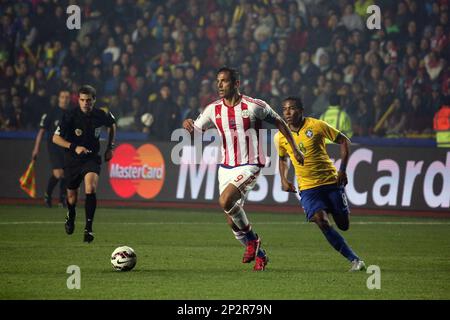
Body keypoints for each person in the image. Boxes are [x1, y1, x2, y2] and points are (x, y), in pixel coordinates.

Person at [183, 67, 304, 271]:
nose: (219, 85)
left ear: (236, 84)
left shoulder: (254, 106)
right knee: (232, 221)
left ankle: (253, 242)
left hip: (251, 163)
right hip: (226, 167)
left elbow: (280, 123)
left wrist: (294, 149)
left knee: (225, 200)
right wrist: (187, 124)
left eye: (224, 81)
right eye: (218, 81)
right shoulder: (213, 109)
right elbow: (195, 131)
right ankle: (260, 254)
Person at [274, 96, 365, 272]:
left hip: (330, 182)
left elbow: (344, 141)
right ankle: (354, 260)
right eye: (284, 109)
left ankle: (332, 207)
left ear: (301, 110)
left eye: (292, 108)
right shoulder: (280, 137)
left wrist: (343, 170)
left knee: (343, 225)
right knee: (321, 221)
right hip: (307, 188)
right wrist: (284, 179)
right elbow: (282, 158)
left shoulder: (317, 125)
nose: (288, 112)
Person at [53, 85, 116, 243]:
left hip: (91, 158)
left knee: (90, 187)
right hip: (73, 159)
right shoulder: (70, 115)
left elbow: (112, 124)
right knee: (72, 196)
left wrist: (110, 147)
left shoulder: (100, 114)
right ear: (78, 100)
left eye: (88, 100)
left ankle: (88, 228)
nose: (85, 103)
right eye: (82, 100)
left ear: (94, 100)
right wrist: (75, 147)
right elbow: (56, 138)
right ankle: (71, 213)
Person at [31, 90, 71, 208]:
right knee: (58, 174)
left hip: (66, 147)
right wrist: (36, 148)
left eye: (67, 97)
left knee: (66, 174)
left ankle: (62, 199)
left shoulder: (71, 113)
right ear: (59, 98)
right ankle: (48, 194)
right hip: (54, 147)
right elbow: (41, 132)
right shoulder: (51, 112)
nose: (65, 99)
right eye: (63, 97)